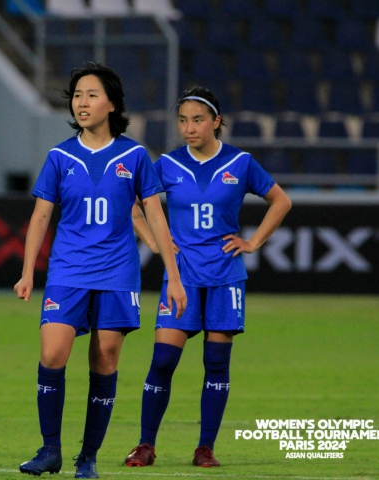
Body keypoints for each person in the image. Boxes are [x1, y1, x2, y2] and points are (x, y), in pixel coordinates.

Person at [14, 62, 187, 478]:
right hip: (68, 272)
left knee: (105, 360)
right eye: (77, 95)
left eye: (91, 94)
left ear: (111, 104)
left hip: (116, 274)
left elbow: (154, 215)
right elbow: (40, 216)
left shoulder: (135, 155)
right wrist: (27, 271)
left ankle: (88, 457)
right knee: (52, 353)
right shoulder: (60, 156)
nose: (82, 102)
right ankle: (50, 450)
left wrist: (175, 277)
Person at [125, 86, 292, 467]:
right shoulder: (167, 164)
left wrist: (253, 242)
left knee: (216, 364)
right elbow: (133, 204)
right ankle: (145, 445)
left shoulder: (241, 163)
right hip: (181, 276)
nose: (189, 128)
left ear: (216, 121)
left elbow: (281, 201)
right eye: (183, 120)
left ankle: (205, 448)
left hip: (224, 276)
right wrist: (153, 241)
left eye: (197, 120)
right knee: (162, 361)